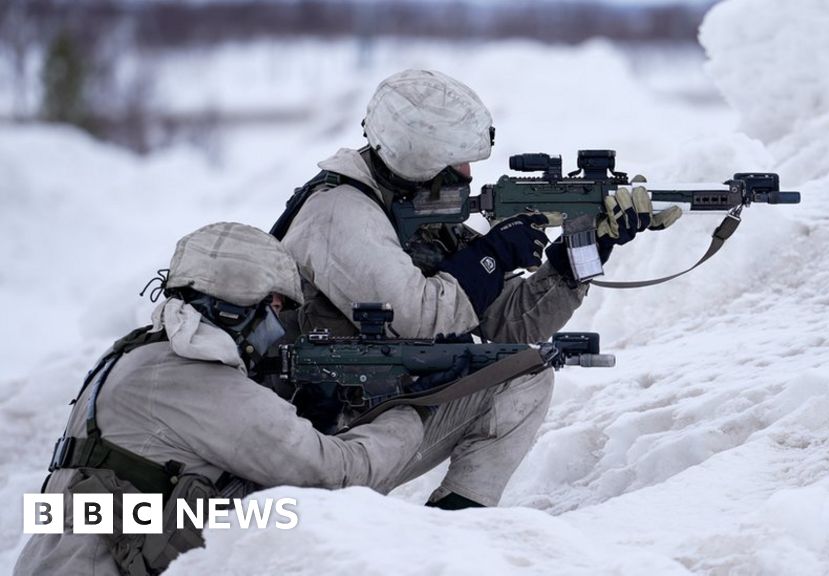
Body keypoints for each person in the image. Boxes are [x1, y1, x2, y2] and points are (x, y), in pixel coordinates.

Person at [275, 69, 681, 510]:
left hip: (381, 406)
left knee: (524, 372)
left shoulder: (411, 209)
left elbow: (511, 325)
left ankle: (458, 526)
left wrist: (580, 254)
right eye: (457, 162)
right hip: (321, 437)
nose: (469, 175)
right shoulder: (340, 214)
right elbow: (422, 316)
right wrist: (492, 255)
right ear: (420, 158)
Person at [15, 222, 427, 576]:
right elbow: (333, 474)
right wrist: (408, 413)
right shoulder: (198, 380)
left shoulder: (138, 355)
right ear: (236, 310)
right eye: (275, 307)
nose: (278, 325)